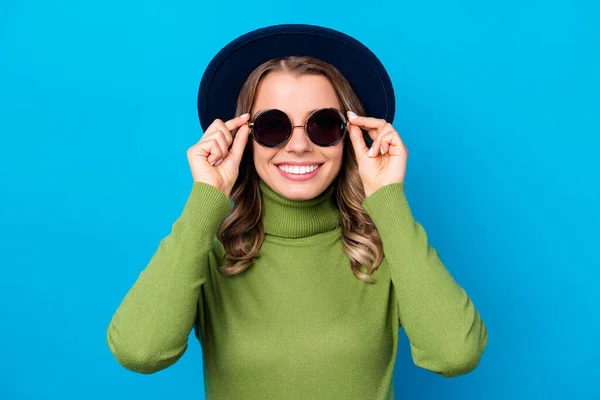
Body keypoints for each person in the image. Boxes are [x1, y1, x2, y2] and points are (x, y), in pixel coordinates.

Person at [106, 24, 488, 399]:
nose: (300, 146)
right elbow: (141, 351)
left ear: (350, 136)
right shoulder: (207, 253)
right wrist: (205, 200)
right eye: (273, 126)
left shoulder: (386, 250)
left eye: (324, 125)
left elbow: (455, 353)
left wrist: (389, 200)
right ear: (244, 138)